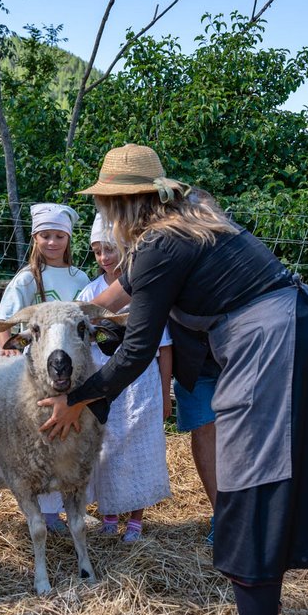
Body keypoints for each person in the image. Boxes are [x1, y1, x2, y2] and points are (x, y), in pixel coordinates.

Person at [39, 144, 308, 615]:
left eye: (104, 205)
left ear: (123, 205)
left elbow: (138, 350)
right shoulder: (187, 218)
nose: (102, 215)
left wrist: (76, 399)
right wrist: (69, 315)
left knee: (251, 483)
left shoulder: (161, 243)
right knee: (253, 480)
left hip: (271, 346)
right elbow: (121, 292)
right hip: (291, 332)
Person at [77, 213, 173, 543]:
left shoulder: (145, 287)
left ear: (127, 249)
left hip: (142, 381)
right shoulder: (90, 293)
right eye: (98, 251)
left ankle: (135, 520)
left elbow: (164, 346)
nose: (105, 257)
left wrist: (164, 392)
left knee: (137, 448)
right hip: (105, 380)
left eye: (111, 249)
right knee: (105, 446)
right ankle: (107, 515)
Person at [0, 202, 90, 532]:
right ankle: (47, 513)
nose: (52, 243)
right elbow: (5, 318)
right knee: (44, 439)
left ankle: (74, 505)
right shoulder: (26, 280)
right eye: (46, 236)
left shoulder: (80, 278)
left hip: (75, 371)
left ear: (68, 238)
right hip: (39, 377)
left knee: (75, 438)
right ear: (36, 239)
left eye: (59, 236)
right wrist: (5, 348)